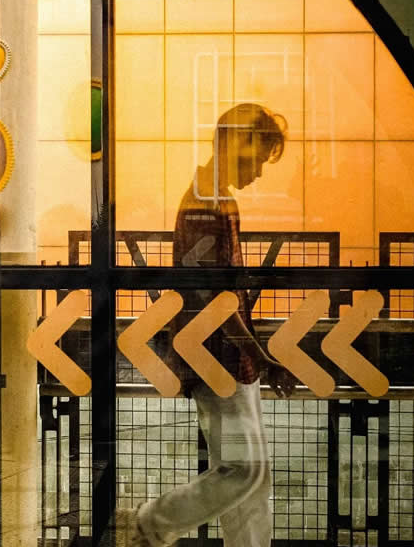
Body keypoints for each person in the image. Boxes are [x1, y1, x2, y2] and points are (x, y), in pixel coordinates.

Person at [116, 103, 297, 547]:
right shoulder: (205, 205)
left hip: (228, 357)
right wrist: (261, 355)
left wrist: (255, 357)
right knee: (245, 471)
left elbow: (218, 293)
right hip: (217, 359)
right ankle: (150, 522)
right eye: (259, 157)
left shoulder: (213, 198)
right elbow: (213, 297)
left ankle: (157, 524)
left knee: (250, 477)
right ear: (242, 139)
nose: (258, 172)